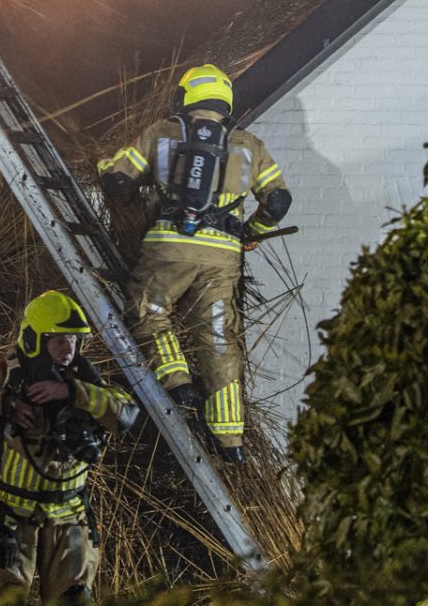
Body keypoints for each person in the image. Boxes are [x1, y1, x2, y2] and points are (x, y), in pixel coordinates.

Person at [98, 62, 291, 464]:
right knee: (219, 337)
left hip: (169, 245)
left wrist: (106, 170)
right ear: (225, 101)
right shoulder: (250, 145)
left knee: (148, 309)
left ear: (184, 98)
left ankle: (177, 380)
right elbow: (278, 201)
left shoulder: (162, 133)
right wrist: (251, 231)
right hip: (223, 255)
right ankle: (230, 439)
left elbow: (118, 178)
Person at [0, 289, 137, 605]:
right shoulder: (6, 375)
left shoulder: (84, 380)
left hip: (70, 517)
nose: (68, 350)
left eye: (73, 341)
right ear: (35, 339)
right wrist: (1, 402)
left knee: (75, 599)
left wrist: (71, 392)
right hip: (10, 516)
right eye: (58, 341)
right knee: (7, 599)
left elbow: (125, 412)